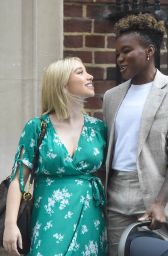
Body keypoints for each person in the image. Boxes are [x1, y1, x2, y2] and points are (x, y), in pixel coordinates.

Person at [3, 57, 107, 255]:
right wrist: (10, 225)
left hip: (91, 219)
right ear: (62, 84)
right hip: (50, 220)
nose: (90, 75)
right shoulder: (37, 127)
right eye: (80, 72)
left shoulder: (98, 128)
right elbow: (19, 179)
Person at [102, 13, 168, 255]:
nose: (120, 58)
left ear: (149, 51)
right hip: (116, 198)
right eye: (117, 53)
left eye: (127, 51)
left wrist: (160, 203)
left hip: (157, 197)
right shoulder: (111, 98)